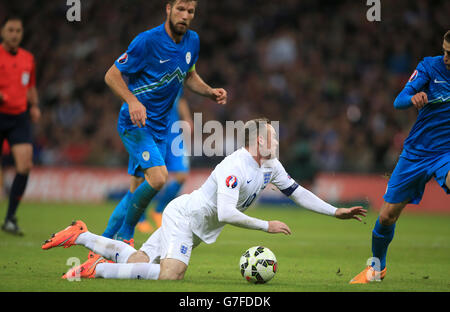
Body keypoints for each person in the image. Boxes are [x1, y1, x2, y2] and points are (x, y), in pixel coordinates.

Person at [42, 118, 367, 281]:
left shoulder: (271, 166)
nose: (277, 140)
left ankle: (80, 235)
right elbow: (226, 213)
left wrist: (335, 210)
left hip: (196, 225)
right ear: (257, 140)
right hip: (184, 218)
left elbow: (298, 193)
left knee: (139, 262)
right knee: (172, 275)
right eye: (272, 135)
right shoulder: (234, 167)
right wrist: (266, 225)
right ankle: (94, 271)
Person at [101, 0, 227, 245]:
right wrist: (133, 101)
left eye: (190, 12)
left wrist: (210, 92)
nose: (185, 16)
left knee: (136, 190)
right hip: (135, 124)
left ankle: (103, 242)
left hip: (160, 128)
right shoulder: (146, 41)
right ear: (168, 9)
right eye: (180, 9)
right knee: (159, 178)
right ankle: (125, 237)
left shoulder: (193, 41)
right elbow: (111, 75)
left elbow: (189, 76)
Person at [350, 30, 450, 284]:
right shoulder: (430, 66)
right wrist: (413, 98)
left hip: (446, 153)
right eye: (445, 51)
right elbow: (399, 100)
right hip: (416, 153)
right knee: (386, 217)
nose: (446, 57)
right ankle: (377, 269)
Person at [0, 16, 41, 235]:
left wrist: (34, 106)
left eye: (18, 30)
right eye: (10, 30)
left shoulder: (28, 59)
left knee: (25, 166)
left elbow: (30, 86)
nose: (14, 34)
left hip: (18, 117)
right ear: (3, 32)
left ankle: (10, 218)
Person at [136, 96, 193, 233]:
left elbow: (180, 98)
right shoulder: (148, 79)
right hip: (151, 134)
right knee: (145, 177)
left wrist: (187, 118)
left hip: (174, 136)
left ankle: (158, 210)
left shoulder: (176, 76)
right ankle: (140, 217)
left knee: (182, 176)